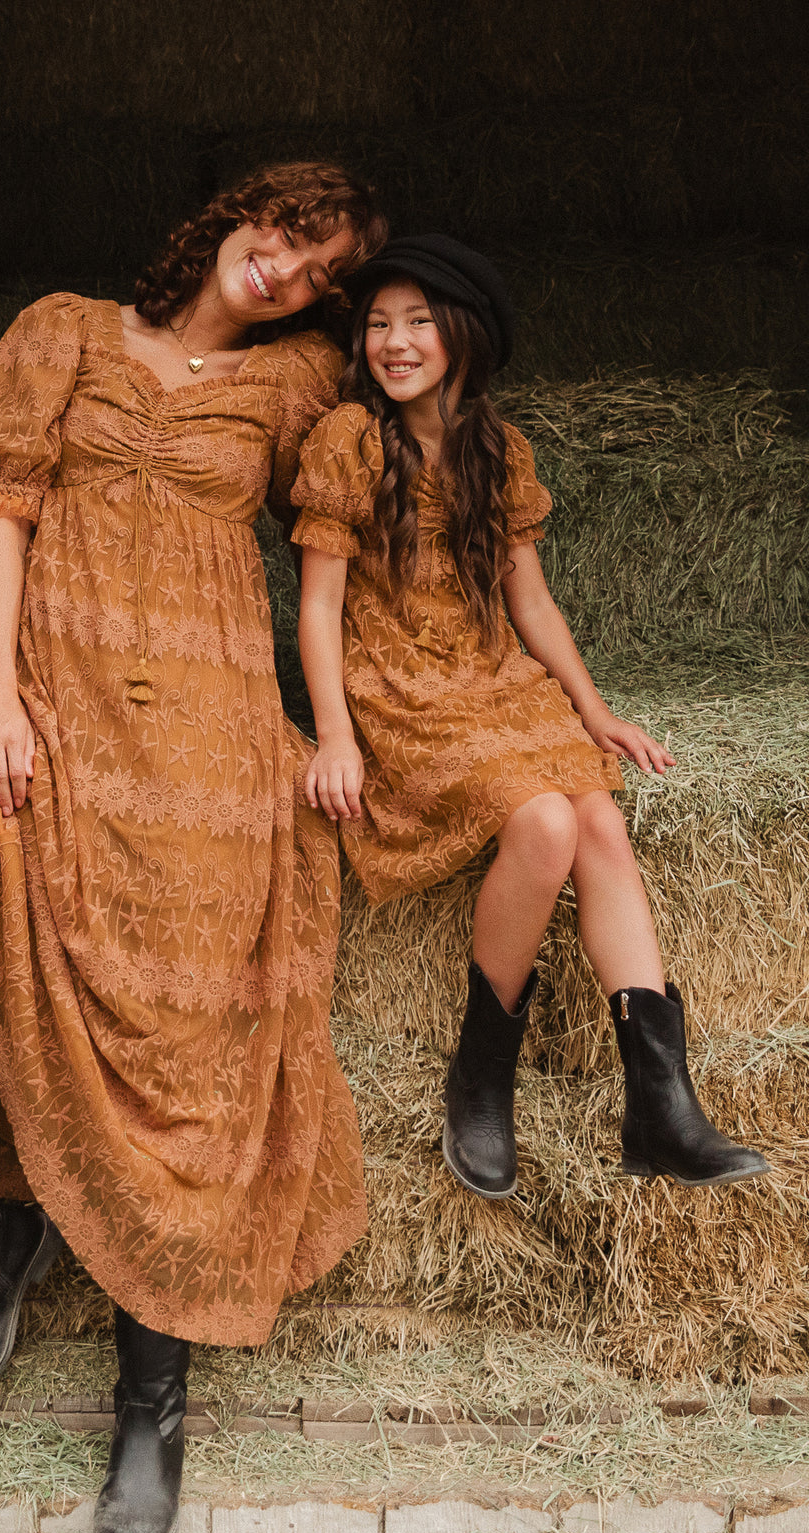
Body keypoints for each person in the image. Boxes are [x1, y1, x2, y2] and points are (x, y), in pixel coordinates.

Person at [0, 162, 387, 1533]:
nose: (294, 271)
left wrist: (376, 717)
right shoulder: (60, 331)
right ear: (242, 213)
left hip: (201, 747)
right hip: (28, 709)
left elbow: (410, 432)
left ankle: (151, 1412)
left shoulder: (307, 383)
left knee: (187, 1060)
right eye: (292, 235)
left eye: (325, 271)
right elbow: (3, 513)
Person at [294, 234, 769, 1204]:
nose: (395, 341)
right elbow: (319, 607)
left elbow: (533, 603)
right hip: (399, 689)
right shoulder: (346, 438)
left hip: (493, 678)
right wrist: (337, 734)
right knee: (548, 820)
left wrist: (595, 713)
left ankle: (662, 1104)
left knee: (598, 812)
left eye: (417, 321)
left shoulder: (498, 449)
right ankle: (483, 1070)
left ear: (463, 334)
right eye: (379, 324)